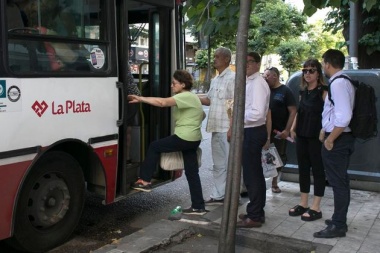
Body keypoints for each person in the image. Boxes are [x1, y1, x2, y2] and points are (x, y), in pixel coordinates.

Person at [128, 70, 207, 215]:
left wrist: (140, 99)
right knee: (192, 173)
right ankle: (198, 206)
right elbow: (203, 114)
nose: (171, 86)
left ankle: (145, 181)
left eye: (174, 83)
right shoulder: (193, 97)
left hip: (184, 138)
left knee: (154, 146)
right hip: (193, 139)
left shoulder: (184, 96)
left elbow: (162, 102)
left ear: (183, 84)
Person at [313, 49, 355, 238]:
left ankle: (338, 225)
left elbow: (344, 117)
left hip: (337, 140)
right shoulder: (344, 81)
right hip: (340, 138)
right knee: (341, 182)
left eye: (323, 64)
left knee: (338, 183)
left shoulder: (338, 83)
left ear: (327, 64)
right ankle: (339, 219)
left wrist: (330, 139)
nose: (323, 67)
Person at [288, 59, 327, 221]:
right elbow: (300, 111)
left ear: (318, 73)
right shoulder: (303, 91)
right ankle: (303, 203)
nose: (307, 74)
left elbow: (329, 112)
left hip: (316, 137)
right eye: (305, 70)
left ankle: (316, 207)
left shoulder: (324, 91)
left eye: (311, 70)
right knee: (303, 169)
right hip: (302, 135)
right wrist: (292, 128)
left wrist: (324, 130)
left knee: (317, 170)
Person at [236, 52, 270, 228]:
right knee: (251, 175)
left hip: (253, 130)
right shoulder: (250, 81)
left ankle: (255, 215)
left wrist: (238, 117)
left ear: (257, 64)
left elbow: (257, 113)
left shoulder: (258, 83)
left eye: (250, 62)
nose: (246, 65)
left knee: (253, 176)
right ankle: (256, 211)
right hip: (249, 130)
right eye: (244, 61)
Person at [199, 47, 235, 205]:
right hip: (215, 127)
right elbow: (208, 100)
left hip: (226, 128)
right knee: (218, 164)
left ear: (227, 59)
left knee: (230, 163)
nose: (214, 59)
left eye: (217, 57)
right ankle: (219, 194)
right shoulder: (215, 79)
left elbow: (233, 104)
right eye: (214, 56)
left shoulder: (232, 78)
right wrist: (187, 96)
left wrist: (231, 128)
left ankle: (233, 195)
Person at [263, 67, 297, 193]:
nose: (265, 78)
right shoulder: (265, 90)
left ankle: (274, 183)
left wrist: (287, 130)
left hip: (278, 131)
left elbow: (293, 111)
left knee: (277, 157)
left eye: (267, 76)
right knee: (266, 156)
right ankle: (265, 180)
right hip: (265, 129)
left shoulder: (285, 91)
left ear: (275, 76)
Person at [126, 63, 141, 165]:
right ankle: (127, 156)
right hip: (131, 99)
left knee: (127, 130)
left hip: (130, 100)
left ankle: (126, 156)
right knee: (128, 130)